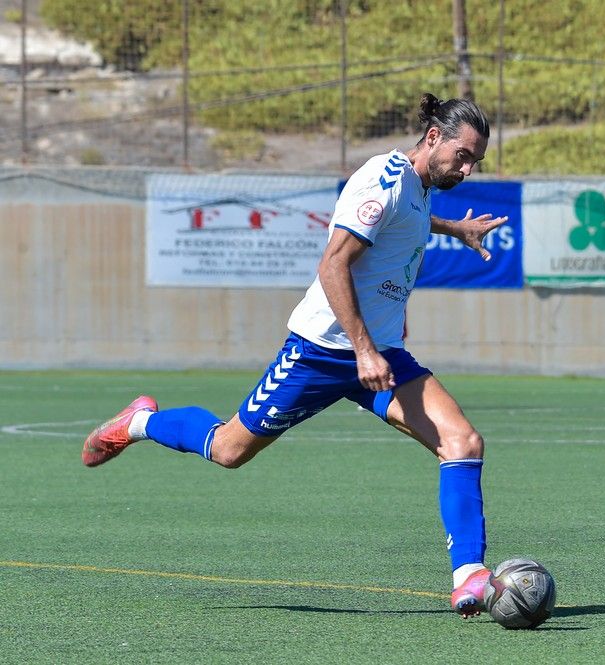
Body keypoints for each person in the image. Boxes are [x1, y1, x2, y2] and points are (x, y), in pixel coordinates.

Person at [82, 92, 508, 619]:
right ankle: (142, 422)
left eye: (476, 162)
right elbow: (334, 265)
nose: (467, 170)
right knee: (229, 449)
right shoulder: (385, 179)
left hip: (380, 356)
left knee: (462, 441)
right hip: (322, 351)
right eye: (463, 156)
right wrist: (363, 349)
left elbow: (407, 224)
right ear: (433, 137)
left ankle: (469, 577)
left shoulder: (418, 189)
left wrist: (456, 228)